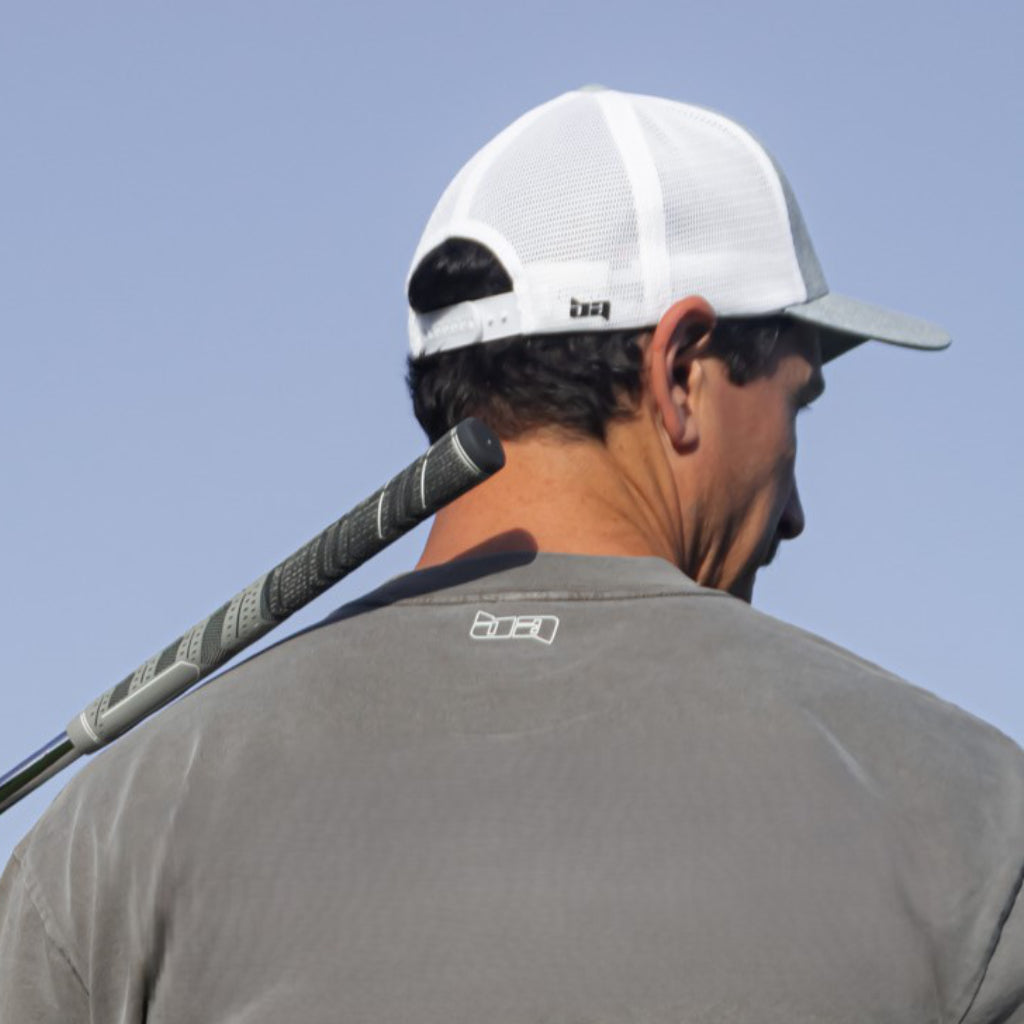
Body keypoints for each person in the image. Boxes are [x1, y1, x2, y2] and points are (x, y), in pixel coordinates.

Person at [1, 87, 1021, 1022]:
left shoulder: (108, 842)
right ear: (678, 368)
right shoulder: (975, 825)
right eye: (796, 404)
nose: (793, 513)